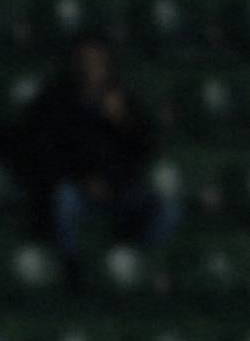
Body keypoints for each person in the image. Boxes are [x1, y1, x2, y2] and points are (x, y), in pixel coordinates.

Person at [16, 32, 177, 279]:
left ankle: (133, 259)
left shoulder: (123, 101)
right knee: (63, 199)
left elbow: (145, 150)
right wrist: (84, 180)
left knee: (167, 208)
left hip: (120, 189)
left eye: (97, 61)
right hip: (76, 188)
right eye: (85, 61)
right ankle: (71, 267)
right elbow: (47, 152)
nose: (92, 68)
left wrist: (122, 121)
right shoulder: (59, 101)